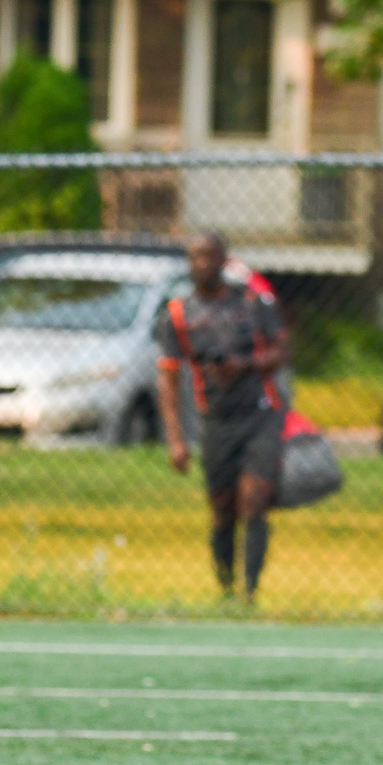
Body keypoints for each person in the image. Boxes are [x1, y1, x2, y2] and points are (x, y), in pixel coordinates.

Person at [155, 232, 290, 603]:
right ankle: (226, 590)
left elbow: (282, 350)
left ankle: (251, 592)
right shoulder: (179, 314)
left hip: (260, 414)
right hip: (215, 421)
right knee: (223, 510)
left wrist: (245, 364)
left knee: (254, 501)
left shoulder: (251, 303)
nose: (203, 264)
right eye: (195, 257)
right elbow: (168, 380)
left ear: (223, 260)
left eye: (210, 256)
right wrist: (176, 439)